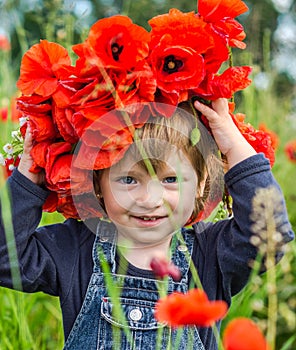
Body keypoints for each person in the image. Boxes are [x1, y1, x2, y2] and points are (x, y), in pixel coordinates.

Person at [0, 97, 294, 349]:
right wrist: (29, 176)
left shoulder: (211, 255)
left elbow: (270, 233)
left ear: (202, 183)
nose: (150, 199)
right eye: (129, 180)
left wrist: (233, 145)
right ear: (98, 184)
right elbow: (5, 256)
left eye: (170, 180)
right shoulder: (74, 251)